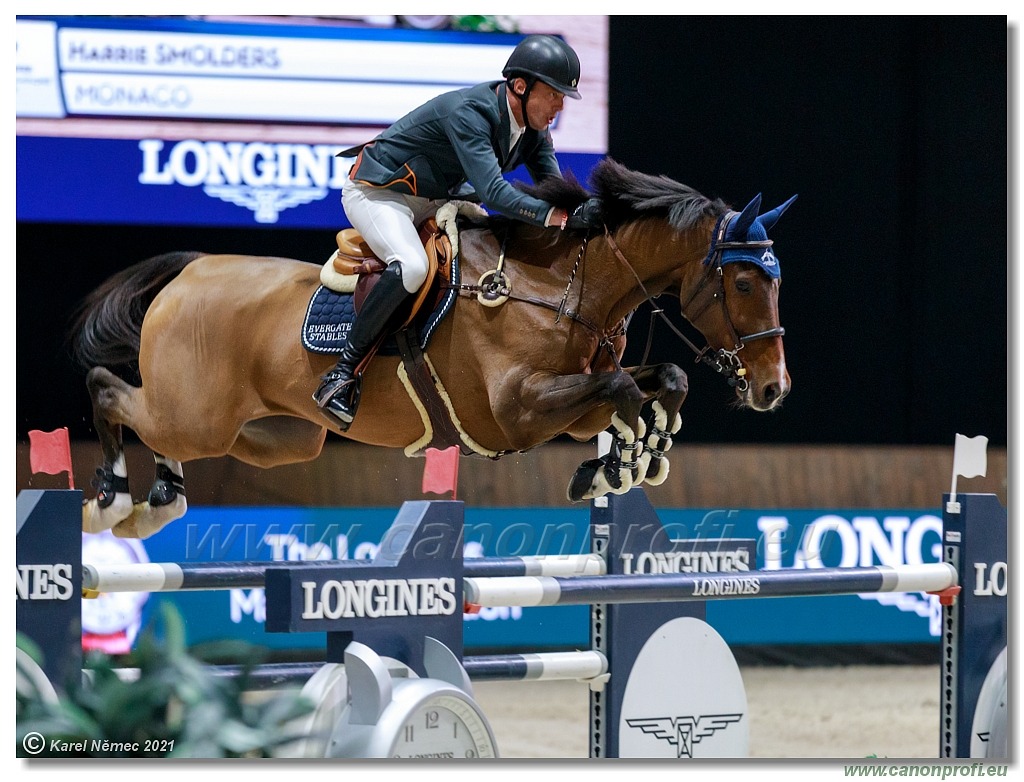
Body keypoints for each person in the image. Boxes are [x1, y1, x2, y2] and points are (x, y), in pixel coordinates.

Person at [313, 33, 602, 428]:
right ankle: (342, 373)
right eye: (554, 94)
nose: (559, 105)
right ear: (521, 86)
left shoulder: (534, 130)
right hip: (379, 193)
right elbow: (495, 193)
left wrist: (591, 209)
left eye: (563, 97)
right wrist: (562, 218)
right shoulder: (470, 112)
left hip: (433, 198)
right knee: (413, 266)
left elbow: (554, 189)